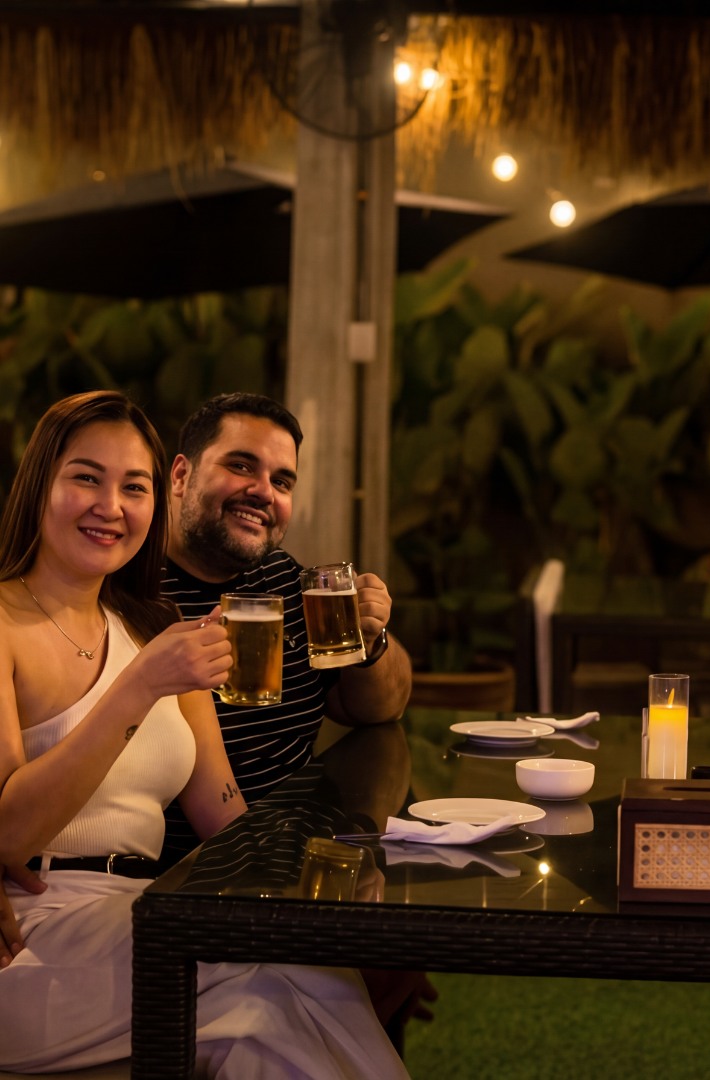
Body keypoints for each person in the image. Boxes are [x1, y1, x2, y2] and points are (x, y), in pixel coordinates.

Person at [0, 390, 408, 1077]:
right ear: (40, 483)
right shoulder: (8, 622)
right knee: (264, 985)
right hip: (35, 933)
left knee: (303, 980)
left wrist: (341, 877)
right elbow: (8, 834)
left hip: (147, 911)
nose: (111, 506)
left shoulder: (157, 627)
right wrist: (140, 686)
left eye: (133, 487)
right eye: (86, 478)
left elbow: (228, 820)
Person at [158, 392, 413, 864]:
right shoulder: (131, 592)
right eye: (240, 465)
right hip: (187, 871)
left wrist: (372, 641)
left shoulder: (286, 579)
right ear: (180, 476)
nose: (263, 492)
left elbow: (379, 709)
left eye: (281, 481)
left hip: (303, 854)